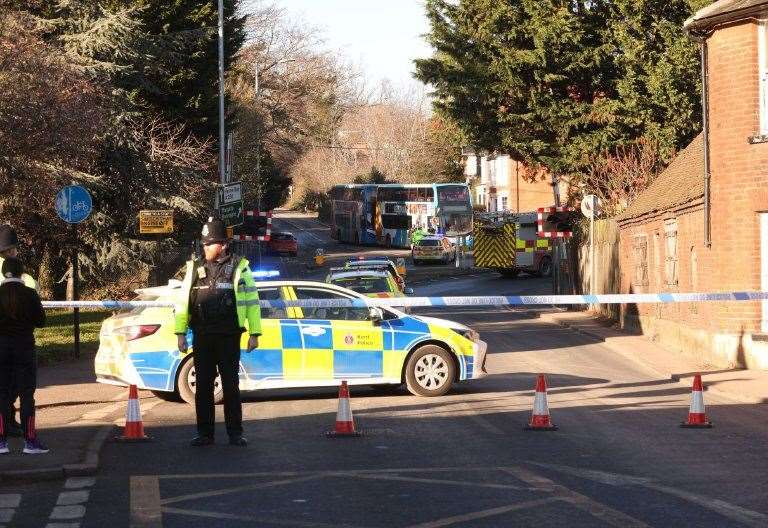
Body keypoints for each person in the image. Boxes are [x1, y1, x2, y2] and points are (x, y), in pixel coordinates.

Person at [174, 217, 262, 447]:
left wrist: (255, 333)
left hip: (229, 335)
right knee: (203, 386)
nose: (205, 247)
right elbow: (183, 302)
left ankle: (235, 433)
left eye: (209, 243)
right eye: (203, 244)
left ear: (222, 244)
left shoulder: (240, 267)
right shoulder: (194, 268)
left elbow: (252, 302)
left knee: (230, 385)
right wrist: (180, 333)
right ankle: (205, 434)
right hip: (202, 335)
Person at [0, 257, 48, 454]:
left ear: (3, 273)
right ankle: (30, 441)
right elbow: (41, 321)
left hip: (1, 350)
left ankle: (1, 441)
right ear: (22, 273)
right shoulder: (29, 294)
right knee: (27, 395)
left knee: (1, 395)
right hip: (25, 350)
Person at [0, 225, 37, 438]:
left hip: (3, 342)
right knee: (24, 391)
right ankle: (29, 438)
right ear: (11, 250)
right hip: (23, 343)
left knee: (4, 389)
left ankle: (4, 434)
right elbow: (39, 319)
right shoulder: (24, 281)